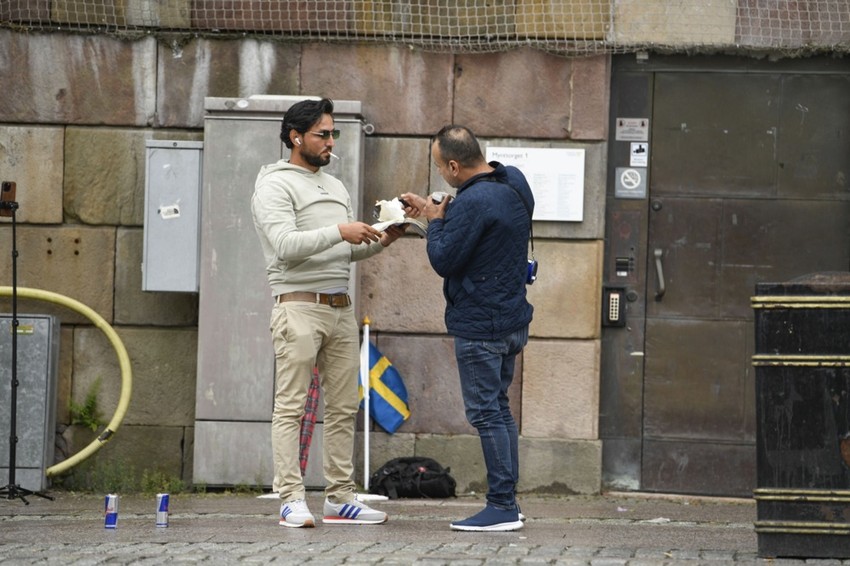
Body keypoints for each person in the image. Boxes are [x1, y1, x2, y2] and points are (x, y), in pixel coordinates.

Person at [251, 97, 404, 528]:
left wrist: (385, 238)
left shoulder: (336, 187)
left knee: (343, 407)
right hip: (298, 306)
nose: (331, 141)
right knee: (291, 407)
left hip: (339, 308)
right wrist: (340, 230)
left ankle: (340, 498)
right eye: (322, 134)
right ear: (296, 137)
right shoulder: (274, 185)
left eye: (333, 133)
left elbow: (344, 252)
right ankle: (290, 498)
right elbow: (285, 245)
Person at [401, 125, 534, 532]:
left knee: (486, 414)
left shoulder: (472, 202)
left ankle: (501, 507)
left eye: (441, 167)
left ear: (455, 166)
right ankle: (509, 503)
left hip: (481, 327)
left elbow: (444, 259)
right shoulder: (513, 182)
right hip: (512, 320)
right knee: (500, 410)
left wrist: (435, 220)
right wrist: (438, 211)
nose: (442, 174)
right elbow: (483, 229)